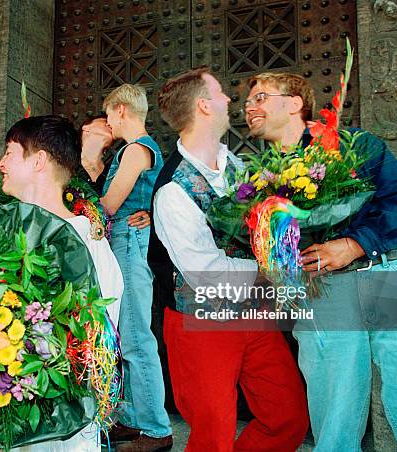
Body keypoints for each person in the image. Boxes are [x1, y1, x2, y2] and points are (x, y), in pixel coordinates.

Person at [245, 72, 397, 451]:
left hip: (393, 272)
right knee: (334, 415)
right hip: (323, 292)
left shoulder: (354, 146)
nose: (249, 107)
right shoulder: (257, 181)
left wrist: (355, 243)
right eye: (248, 102)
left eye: (260, 97)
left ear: (295, 102)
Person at [149, 67, 309, 452]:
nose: (228, 100)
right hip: (200, 321)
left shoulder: (238, 167)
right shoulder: (172, 190)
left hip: (253, 313)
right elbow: (206, 274)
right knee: (213, 435)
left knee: (287, 417)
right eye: (220, 93)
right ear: (204, 106)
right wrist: (276, 268)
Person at [0, 114, 124, 451]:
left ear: (38, 160)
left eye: (9, 152)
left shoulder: (86, 239)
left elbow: (100, 331)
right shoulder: (8, 237)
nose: (0, 162)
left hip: (62, 419)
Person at [98, 84, 172, 451]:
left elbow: (109, 205)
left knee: (135, 335)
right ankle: (130, 417)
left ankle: (156, 429)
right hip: (126, 240)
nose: (108, 121)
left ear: (122, 109)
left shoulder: (136, 150)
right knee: (126, 334)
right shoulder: (135, 151)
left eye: (109, 113)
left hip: (128, 241)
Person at [79, 114, 151, 230]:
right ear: (86, 127)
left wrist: (149, 214)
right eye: (104, 121)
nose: (109, 124)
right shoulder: (67, 167)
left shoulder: (120, 171)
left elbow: (139, 200)